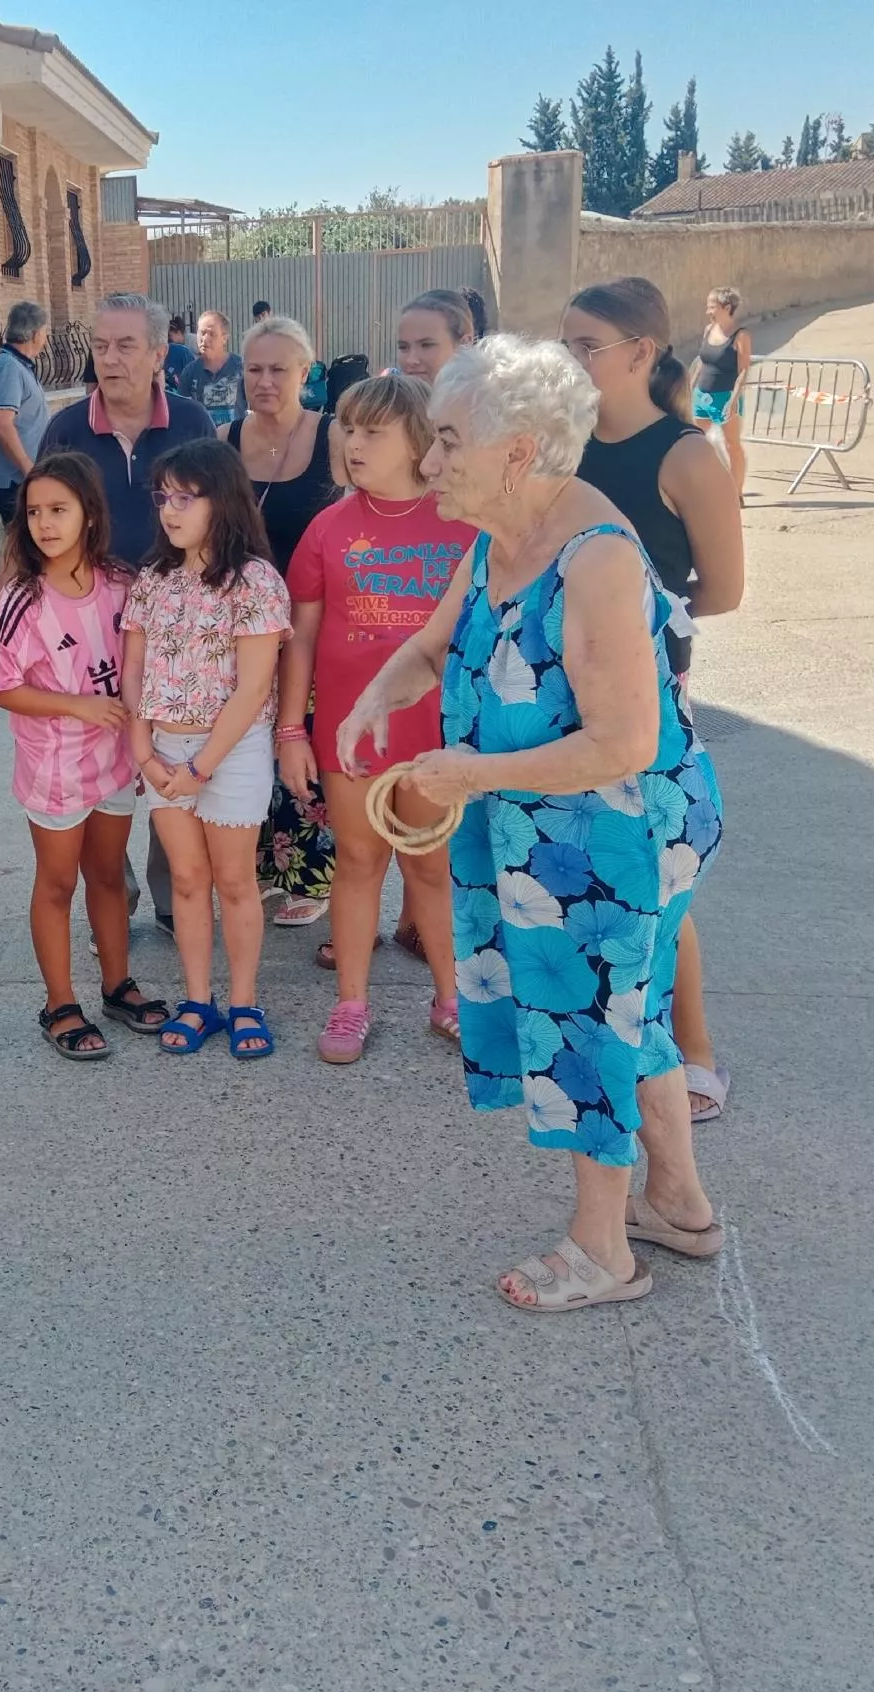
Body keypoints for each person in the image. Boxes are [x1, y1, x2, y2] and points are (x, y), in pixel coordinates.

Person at [337, 334, 724, 1312]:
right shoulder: (496, 542)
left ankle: (603, 1251)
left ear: (519, 453)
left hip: (612, 833)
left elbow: (625, 743)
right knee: (628, 1018)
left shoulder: (593, 557)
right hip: (550, 828)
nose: (430, 462)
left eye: (449, 440)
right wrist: (373, 700)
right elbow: (433, 647)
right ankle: (677, 1202)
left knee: (588, 1026)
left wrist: (473, 771)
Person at [565, 277, 745, 1125]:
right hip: (556, 688)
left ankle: (694, 1047)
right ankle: (603, 1035)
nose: (570, 362)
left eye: (585, 347)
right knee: (579, 876)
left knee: (658, 884)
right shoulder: (560, 447)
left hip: (646, 699)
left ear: (640, 353)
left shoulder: (686, 455)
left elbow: (723, 590)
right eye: (561, 346)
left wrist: (642, 619)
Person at [277, 373, 475, 1063]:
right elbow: (299, 637)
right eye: (349, 429)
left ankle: (452, 1000)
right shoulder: (328, 528)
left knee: (431, 869)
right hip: (349, 734)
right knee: (358, 863)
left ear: (419, 441)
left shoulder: (463, 523)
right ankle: (351, 1004)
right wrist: (290, 731)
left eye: (372, 432)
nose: (353, 443)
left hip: (436, 736)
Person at [0, 451, 172, 1058]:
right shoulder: (23, 598)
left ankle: (117, 986)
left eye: (58, 509)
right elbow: (0, 685)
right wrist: (77, 706)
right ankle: (59, 1003)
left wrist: (140, 744)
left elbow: (140, 666)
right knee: (58, 882)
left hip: (114, 760)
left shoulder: (121, 583)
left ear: (89, 514)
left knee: (109, 876)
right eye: (34, 512)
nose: (45, 523)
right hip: (56, 767)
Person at [38, 292, 218, 933]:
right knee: (100, 759)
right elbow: (46, 518)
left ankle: (173, 893)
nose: (110, 360)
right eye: (101, 346)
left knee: (173, 749)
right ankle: (115, 895)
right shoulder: (66, 430)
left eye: (126, 346)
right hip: (90, 622)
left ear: (158, 353)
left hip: (178, 625)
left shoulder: (192, 421)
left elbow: (216, 512)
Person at [122, 438, 291, 1059]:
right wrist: (144, 750)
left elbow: (253, 688)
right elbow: (133, 669)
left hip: (232, 750)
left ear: (223, 501)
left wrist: (201, 766)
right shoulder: (152, 580)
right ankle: (199, 1001)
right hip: (166, 747)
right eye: (163, 497)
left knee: (234, 880)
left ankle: (244, 1001)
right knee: (188, 881)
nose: (170, 510)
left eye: (186, 497)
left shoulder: (255, 582)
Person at [228, 314, 342, 929]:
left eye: (278, 368)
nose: (265, 380)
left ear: (306, 371)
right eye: (253, 369)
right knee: (248, 742)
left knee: (304, 746)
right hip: (241, 626)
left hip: (314, 621)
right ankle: (261, 871)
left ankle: (312, 875)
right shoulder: (224, 437)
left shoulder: (333, 436)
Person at [0, 301, 54, 643]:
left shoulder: (17, 365)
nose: (46, 339)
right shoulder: (8, 368)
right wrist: (29, 468)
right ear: (35, 333)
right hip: (12, 477)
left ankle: (3, 611)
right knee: (22, 543)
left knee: (23, 543)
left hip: (18, 475)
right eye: (46, 332)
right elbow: (2, 424)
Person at [693, 286, 754, 501]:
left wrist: (733, 400)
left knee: (731, 445)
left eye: (712, 306)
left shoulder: (740, 336)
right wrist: (690, 387)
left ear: (727, 307)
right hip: (702, 394)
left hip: (726, 395)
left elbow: (743, 370)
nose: (708, 310)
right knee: (698, 442)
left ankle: (736, 492)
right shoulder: (708, 330)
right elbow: (702, 361)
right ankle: (705, 486)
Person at [393, 287, 487, 384]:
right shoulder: (386, 397)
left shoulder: (493, 397)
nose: (411, 360)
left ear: (464, 344)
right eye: (403, 347)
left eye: (426, 345)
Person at [184, 309, 245, 430]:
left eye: (212, 334)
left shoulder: (241, 367)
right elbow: (183, 413)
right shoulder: (189, 372)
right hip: (202, 444)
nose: (205, 339)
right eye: (202, 333)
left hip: (234, 444)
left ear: (224, 338)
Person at [163, 315, 199, 394]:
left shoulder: (192, 340)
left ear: (178, 333)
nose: (168, 339)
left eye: (170, 336)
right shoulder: (175, 349)